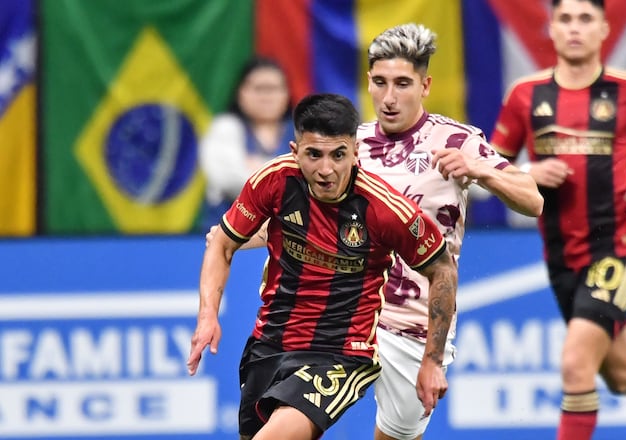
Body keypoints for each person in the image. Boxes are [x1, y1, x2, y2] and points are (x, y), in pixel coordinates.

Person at [207, 23, 544, 440]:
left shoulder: (458, 140)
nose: (388, 97)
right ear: (367, 82)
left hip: (414, 325)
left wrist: (478, 171)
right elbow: (298, 217)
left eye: (402, 83)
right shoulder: (348, 145)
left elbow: (533, 200)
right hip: (344, 317)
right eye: (380, 83)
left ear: (425, 85)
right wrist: (239, 237)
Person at [489, 1, 626, 439]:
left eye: (585, 19)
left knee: (576, 364)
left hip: (618, 247)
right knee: (625, 376)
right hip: (560, 256)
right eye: (566, 19)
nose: (575, 28)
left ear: (604, 30)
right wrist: (527, 172)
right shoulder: (524, 95)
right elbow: (489, 168)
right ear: (551, 29)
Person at [187, 93, 459, 440]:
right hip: (270, 343)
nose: (326, 169)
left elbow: (442, 269)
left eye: (338, 155)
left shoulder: (385, 209)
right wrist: (207, 315)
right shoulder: (274, 180)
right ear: (295, 149)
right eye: (313, 154)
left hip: (340, 354)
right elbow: (222, 244)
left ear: (355, 151)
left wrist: (432, 361)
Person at [199, 56, 295, 231]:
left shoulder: (301, 132)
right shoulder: (225, 128)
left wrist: (257, 168)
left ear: (286, 94)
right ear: (241, 92)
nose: (267, 96)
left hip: (289, 241)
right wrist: (291, 179)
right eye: (259, 89)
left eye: (274, 89)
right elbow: (229, 180)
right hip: (228, 240)